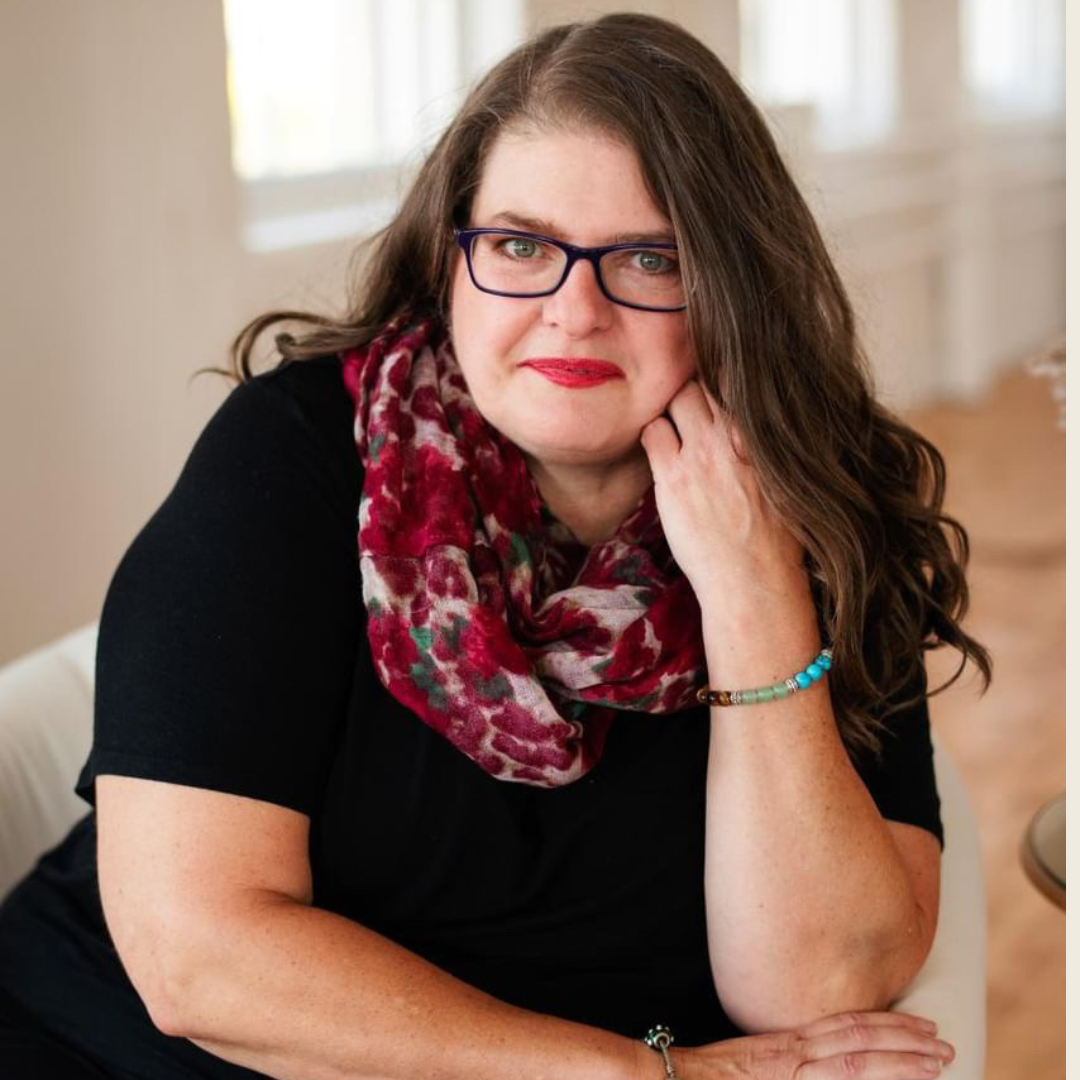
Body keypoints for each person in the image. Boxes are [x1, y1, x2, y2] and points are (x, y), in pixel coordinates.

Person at [0, 13, 990, 1080]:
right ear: (451, 259)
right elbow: (193, 960)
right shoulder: (298, 461)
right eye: (521, 246)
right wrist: (635, 1070)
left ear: (734, 289)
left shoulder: (818, 504)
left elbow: (820, 987)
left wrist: (753, 593)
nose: (574, 312)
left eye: (649, 259)